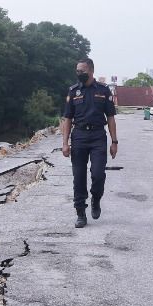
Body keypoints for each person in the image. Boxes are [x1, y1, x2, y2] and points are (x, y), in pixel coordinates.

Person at [61, 58, 118, 228]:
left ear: (91, 71)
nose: (79, 74)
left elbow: (111, 118)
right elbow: (67, 119)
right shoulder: (73, 91)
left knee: (98, 174)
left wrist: (114, 142)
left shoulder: (103, 90)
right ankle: (80, 213)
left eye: (82, 71)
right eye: (77, 71)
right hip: (78, 136)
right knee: (79, 177)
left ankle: (96, 199)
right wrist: (65, 143)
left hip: (98, 136)